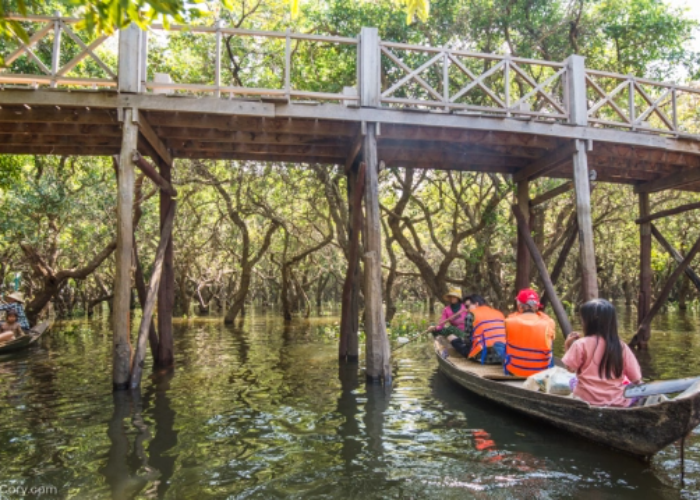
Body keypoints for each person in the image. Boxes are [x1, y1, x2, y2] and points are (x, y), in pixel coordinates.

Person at [562, 299, 642, 407]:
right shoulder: (621, 346)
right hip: (615, 402)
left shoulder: (580, 344)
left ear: (588, 323)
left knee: (573, 381)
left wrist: (567, 345)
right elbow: (636, 378)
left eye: (583, 320)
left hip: (585, 400)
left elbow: (570, 369)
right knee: (633, 391)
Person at [503, 289, 556, 377]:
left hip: (515, 371)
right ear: (536, 306)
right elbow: (550, 347)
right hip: (540, 375)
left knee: (503, 345)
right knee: (549, 348)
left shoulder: (508, 321)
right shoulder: (549, 323)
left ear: (519, 305)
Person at [448, 295, 506, 364]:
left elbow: (468, 342)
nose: (466, 310)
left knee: (451, 337)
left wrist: (458, 340)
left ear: (476, 304)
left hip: (483, 357)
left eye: (467, 306)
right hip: (504, 355)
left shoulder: (471, 315)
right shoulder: (499, 313)